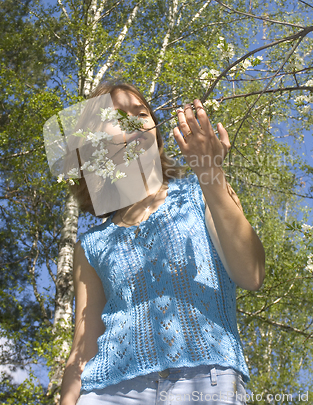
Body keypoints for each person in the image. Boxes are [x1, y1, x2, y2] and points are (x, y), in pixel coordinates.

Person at [59, 81, 265, 405]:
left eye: (141, 113)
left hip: (207, 382)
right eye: (118, 117)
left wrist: (212, 173)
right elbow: (83, 349)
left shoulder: (202, 192)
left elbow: (251, 274)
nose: (136, 121)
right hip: (109, 393)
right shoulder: (92, 244)